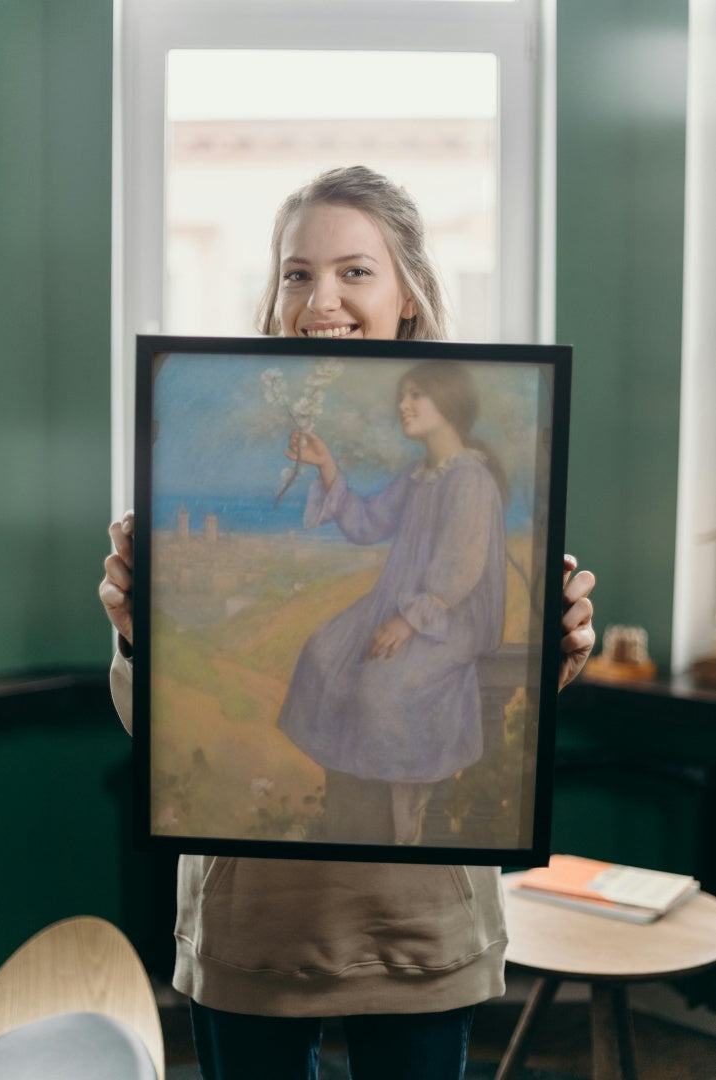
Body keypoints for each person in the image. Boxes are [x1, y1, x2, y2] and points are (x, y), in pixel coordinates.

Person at [100, 166, 596, 1080]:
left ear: (407, 292)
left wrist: (554, 647)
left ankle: (387, 797)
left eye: (354, 271)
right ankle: (345, 785)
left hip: (414, 928)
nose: (319, 297)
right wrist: (140, 636)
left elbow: (460, 579)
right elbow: (364, 521)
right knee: (328, 651)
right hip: (254, 926)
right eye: (296, 273)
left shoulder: (480, 468)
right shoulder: (395, 469)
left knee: (377, 674)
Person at [278, 361, 506, 847]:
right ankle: (354, 811)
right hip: (405, 604)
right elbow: (366, 523)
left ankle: (403, 816)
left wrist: (409, 621)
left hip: (449, 618)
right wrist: (327, 466)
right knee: (325, 651)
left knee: (382, 688)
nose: (403, 405)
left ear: (450, 402)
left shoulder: (469, 478)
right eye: (402, 395)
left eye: (417, 395)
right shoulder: (420, 474)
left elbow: (460, 567)